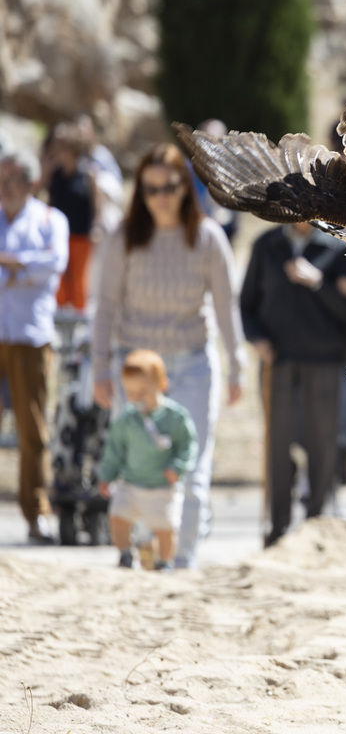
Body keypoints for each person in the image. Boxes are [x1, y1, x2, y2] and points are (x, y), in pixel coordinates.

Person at [92, 143, 247, 568]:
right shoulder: (123, 239)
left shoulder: (208, 238)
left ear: (186, 187)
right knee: (139, 467)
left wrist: (237, 365)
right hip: (136, 367)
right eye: (151, 188)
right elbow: (104, 307)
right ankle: (145, 558)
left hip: (193, 364)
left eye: (170, 186)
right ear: (140, 191)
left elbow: (225, 306)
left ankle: (182, 563)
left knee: (190, 467)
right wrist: (99, 368)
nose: (161, 196)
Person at [240, 222, 346, 547]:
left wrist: (318, 282)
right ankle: (276, 528)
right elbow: (247, 303)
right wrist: (257, 338)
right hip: (276, 361)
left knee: (322, 445)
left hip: (323, 360)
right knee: (277, 445)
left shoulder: (338, 248)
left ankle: (316, 528)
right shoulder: (267, 244)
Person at [0, 149, 69, 544]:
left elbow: (52, 265)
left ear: (29, 184)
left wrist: (10, 262)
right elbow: (33, 268)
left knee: (32, 432)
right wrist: (22, 266)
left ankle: (36, 513)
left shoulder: (49, 219)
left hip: (30, 335)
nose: (5, 188)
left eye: (12, 181)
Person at [97, 349, 198, 570]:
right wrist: (107, 476)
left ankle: (164, 562)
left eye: (142, 391)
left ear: (162, 384)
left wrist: (177, 467)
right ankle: (125, 555)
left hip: (162, 485)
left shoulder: (175, 417)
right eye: (130, 393)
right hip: (130, 482)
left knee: (165, 528)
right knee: (117, 518)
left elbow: (188, 445)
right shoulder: (127, 419)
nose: (136, 398)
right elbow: (115, 449)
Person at [43, 123, 95, 312]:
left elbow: (95, 203)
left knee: (79, 279)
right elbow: (43, 193)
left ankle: (79, 318)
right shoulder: (54, 173)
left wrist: (96, 228)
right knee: (59, 279)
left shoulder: (87, 173)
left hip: (81, 233)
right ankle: (61, 317)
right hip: (58, 235)